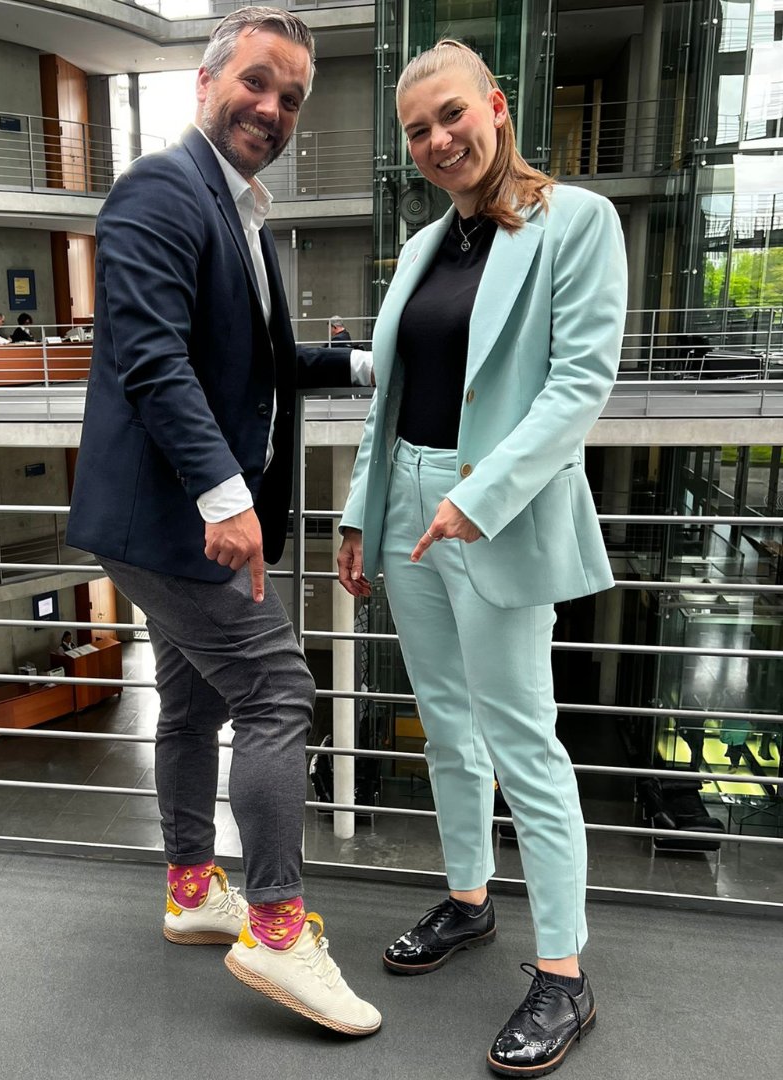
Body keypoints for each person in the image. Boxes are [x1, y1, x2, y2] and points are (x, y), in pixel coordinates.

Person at [67, 6, 379, 1037]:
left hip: (168, 519)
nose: (273, 107)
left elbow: (250, 362)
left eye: (291, 96)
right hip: (175, 521)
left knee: (194, 703)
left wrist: (361, 364)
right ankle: (281, 931)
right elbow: (151, 360)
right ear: (206, 82)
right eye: (257, 81)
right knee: (281, 691)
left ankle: (195, 889)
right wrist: (226, 496)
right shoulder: (165, 185)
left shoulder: (236, 210)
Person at [336, 40, 626, 1076]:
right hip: (408, 504)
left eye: (452, 116)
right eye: (418, 130)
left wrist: (477, 496)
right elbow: (392, 396)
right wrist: (358, 517)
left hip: (494, 510)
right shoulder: (425, 247)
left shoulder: (576, 223)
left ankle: (563, 973)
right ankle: (468, 899)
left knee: (523, 740)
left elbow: (579, 386)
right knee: (445, 728)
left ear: (497, 109)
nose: (438, 140)